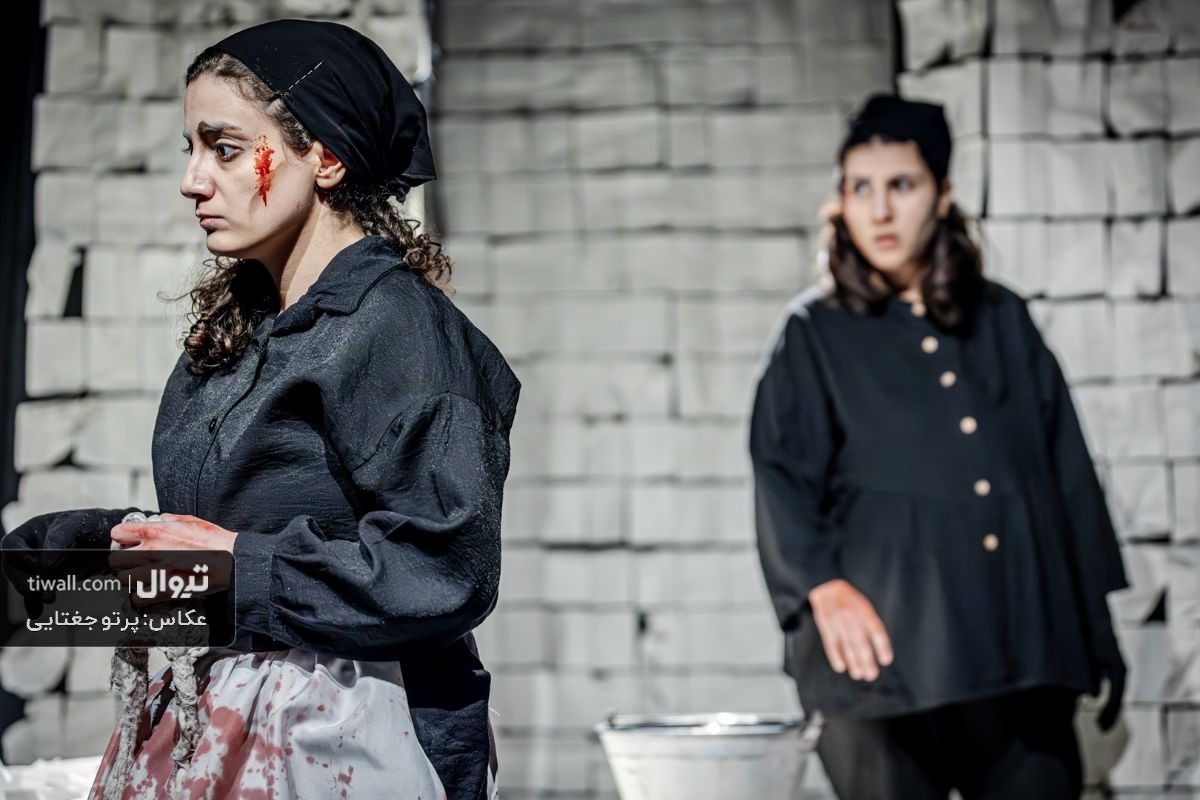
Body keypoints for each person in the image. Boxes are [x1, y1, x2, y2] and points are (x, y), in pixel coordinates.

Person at [2, 18, 517, 800]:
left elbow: (444, 573)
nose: (193, 180)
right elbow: (222, 577)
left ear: (327, 157)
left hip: (350, 740)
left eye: (226, 148)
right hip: (223, 728)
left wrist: (233, 567)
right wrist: (64, 576)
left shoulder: (399, 330)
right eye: (192, 149)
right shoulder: (235, 335)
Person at [748, 93, 1127, 799]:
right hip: (883, 669)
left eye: (902, 185)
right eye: (860, 188)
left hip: (1021, 653)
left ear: (942, 193)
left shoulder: (1003, 319)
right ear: (841, 200)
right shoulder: (814, 334)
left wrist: (1095, 630)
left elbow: (1066, 477)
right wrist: (822, 587)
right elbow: (781, 480)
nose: (880, 211)